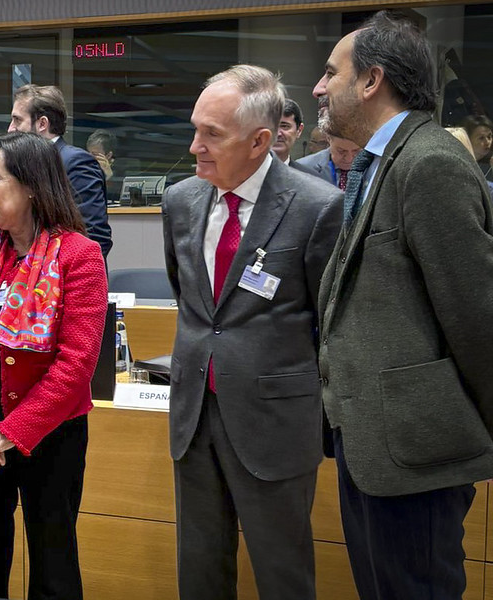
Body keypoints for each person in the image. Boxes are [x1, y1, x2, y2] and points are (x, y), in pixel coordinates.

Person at [314, 11, 493, 599]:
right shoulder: (380, 162)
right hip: (373, 446)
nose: (318, 87)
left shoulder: (430, 162)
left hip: (417, 455)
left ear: (372, 80)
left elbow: (478, 318)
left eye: (330, 72)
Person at [162, 65, 342, 600]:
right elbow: (193, 301)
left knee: (282, 572)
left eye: (212, 134)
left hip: (274, 421)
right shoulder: (180, 201)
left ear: (261, 141)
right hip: (194, 416)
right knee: (199, 570)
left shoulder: (316, 207)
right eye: (195, 129)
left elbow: (327, 321)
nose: (195, 146)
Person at [0, 132, 107, 600]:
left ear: (32, 185)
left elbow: (77, 363)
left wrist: (12, 432)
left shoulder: (80, 256)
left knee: (53, 563)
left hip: (50, 438)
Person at [9, 84, 112, 258]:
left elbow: (93, 234)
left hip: (68, 277)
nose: (11, 128)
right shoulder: (21, 165)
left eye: (17, 120)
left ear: (42, 123)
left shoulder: (77, 163)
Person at [294, 134, 362, 189]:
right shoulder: (302, 169)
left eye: (356, 151)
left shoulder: (372, 167)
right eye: (341, 151)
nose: (349, 159)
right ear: (328, 139)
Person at [272, 98, 304, 164]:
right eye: (272, 126)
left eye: (284, 126)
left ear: (299, 130)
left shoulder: (307, 174)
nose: (278, 134)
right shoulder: (246, 172)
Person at [461, 114, 493, 180]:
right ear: (468, 138)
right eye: (481, 138)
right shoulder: (461, 162)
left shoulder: (490, 162)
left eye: (489, 137)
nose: (487, 142)